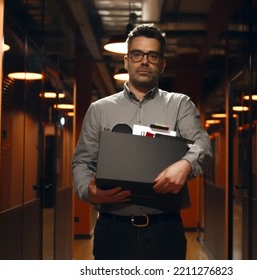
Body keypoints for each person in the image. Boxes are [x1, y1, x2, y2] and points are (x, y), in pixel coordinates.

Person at [71, 23, 213, 260]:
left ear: (162, 64)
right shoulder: (99, 110)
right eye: (137, 54)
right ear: (127, 61)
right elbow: (81, 162)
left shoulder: (180, 105)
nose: (144, 61)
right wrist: (88, 191)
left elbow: (203, 146)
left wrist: (186, 164)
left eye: (152, 55)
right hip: (112, 231)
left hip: (165, 233)